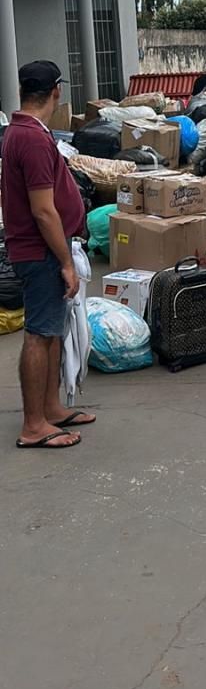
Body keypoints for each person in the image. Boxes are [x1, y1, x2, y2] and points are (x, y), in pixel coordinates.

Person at [1, 61, 94, 450]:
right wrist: (66, 262)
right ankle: (34, 424)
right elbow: (43, 210)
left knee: (53, 329)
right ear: (56, 91)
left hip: (45, 250)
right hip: (40, 252)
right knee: (40, 333)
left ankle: (51, 407)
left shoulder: (22, 130)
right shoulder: (32, 139)